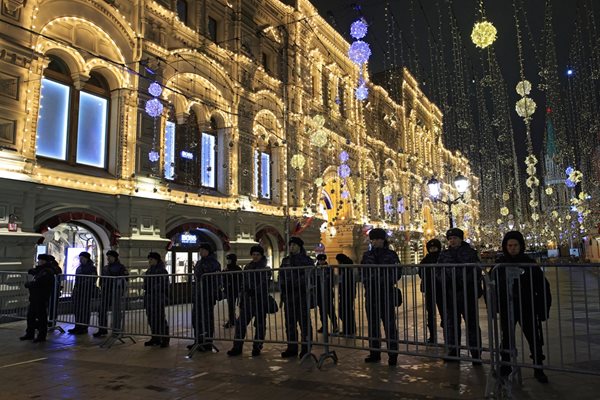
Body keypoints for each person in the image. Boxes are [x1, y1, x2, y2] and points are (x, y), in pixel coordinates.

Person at [495, 231, 549, 383]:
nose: (512, 248)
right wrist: (495, 306)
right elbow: (493, 286)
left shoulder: (529, 263)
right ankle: (505, 366)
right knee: (506, 338)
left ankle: (538, 368)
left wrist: (543, 308)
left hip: (527, 306)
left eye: (515, 245)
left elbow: (542, 286)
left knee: (534, 338)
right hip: (508, 307)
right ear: (505, 247)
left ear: (521, 246)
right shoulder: (500, 264)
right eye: (509, 245)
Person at [437, 228, 483, 364]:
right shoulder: (444, 254)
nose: (452, 240)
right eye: (450, 238)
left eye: (455, 238)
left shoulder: (470, 253)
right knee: (451, 323)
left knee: (472, 323)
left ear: (461, 239)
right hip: (450, 293)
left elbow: (477, 269)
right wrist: (446, 280)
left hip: (467, 292)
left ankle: (476, 352)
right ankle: (453, 350)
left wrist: (463, 280)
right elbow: (438, 270)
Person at [361, 228, 401, 366]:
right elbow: (363, 273)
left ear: (384, 240)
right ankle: (374, 352)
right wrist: (369, 282)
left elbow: (397, 272)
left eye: (379, 239)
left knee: (389, 325)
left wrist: (382, 280)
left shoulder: (391, 255)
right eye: (374, 239)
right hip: (371, 294)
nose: (376, 241)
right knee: (373, 325)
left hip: (386, 294)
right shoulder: (367, 255)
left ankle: (393, 354)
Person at [227, 245, 271, 357]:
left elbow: (264, 283)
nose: (255, 257)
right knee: (240, 323)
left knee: (260, 325)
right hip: (247, 301)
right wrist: (242, 297)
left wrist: (255, 291)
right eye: (254, 254)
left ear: (261, 255)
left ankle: (257, 347)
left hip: (259, 301)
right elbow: (243, 283)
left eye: (258, 255)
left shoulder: (265, 268)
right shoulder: (247, 267)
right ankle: (237, 347)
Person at [279, 236, 314, 358]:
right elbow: (281, 275)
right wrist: (283, 288)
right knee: (290, 323)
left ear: (299, 246)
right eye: (290, 245)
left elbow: (309, 276)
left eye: (294, 245)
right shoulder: (286, 261)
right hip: (289, 296)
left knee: (304, 323)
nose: (291, 247)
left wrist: (295, 283)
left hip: (302, 295)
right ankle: (292, 347)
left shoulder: (307, 260)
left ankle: (306, 347)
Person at [189, 243, 221, 351]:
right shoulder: (200, 262)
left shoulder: (213, 263)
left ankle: (207, 342)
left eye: (203, 250)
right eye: (200, 250)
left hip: (207, 295)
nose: (201, 252)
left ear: (208, 251)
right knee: (196, 318)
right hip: (198, 295)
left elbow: (214, 279)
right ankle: (198, 340)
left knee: (206, 319)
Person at [21, 254, 56, 342]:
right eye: (39, 259)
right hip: (35, 297)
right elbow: (35, 272)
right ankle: (30, 333)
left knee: (41, 317)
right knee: (31, 316)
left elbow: (40, 283)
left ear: (44, 261)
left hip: (41, 297)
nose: (39, 261)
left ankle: (41, 336)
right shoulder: (42, 270)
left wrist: (29, 284)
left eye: (40, 260)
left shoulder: (47, 271)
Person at [94, 250, 128, 338]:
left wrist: (120, 291)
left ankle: (116, 330)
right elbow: (102, 279)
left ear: (115, 257)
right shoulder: (105, 267)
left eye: (110, 257)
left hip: (115, 292)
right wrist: (101, 287)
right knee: (101, 310)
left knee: (116, 312)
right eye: (107, 256)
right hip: (106, 292)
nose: (108, 258)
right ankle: (102, 329)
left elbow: (125, 279)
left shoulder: (121, 267)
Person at [143, 252, 170, 347]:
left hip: (158, 297)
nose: (149, 261)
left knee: (160, 318)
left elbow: (164, 284)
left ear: (156, 260)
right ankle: (155, 337)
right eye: (149, 259)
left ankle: (164, 339)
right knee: (151, 318)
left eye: (151, 259)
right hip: (150, 297)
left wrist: (153, 288)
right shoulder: (149, 270)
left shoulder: (162, 271)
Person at [418, 239, 443, 344]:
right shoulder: (425, 259)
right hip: (429, 289)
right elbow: (421, 272)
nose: (433, 250)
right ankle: (432, 335)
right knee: (430, 314)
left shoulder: (442, 258)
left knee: (444, 312)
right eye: (431, 248)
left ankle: (448, 334)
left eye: (435, 248)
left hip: (442, 289)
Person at [68, 251, 97, 335]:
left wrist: (83, 285)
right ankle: (77, 326)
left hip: (86, 291)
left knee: (84, 309)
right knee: (77, 309)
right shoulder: (79, 268)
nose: (81, 260)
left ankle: (83, 327)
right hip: (78, 291)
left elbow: (93, 279)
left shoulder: (91, 268)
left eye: (82, 258)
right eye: (80, 258)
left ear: (87, 259)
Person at [315, 254, 338, 334]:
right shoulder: (315, 269)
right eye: (320, 260)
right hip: (319, 293)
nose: (322, 261)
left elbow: (331, 280)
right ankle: (324, 326)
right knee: (322, 311)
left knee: (330, 310)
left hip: (327, 292)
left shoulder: (328, 268)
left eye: (323, 260)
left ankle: (335, 326)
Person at [336, 253, 356, 336]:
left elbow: (345, 281)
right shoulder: (345, 268)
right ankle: (349, 328)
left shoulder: (346, 268)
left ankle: (348, 329)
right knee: (347, 311)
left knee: (344, 311)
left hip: (347, 292)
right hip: (346, 292)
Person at [222, 253, 242, 329]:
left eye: (229, 260)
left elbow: (239, 280)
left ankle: (233, 321)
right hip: (229, 290)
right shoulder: (227, 268)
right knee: (231, 306)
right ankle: (232, 320)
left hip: (234, 290)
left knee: (232, 306)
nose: (228, 261)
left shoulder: (237, 269)